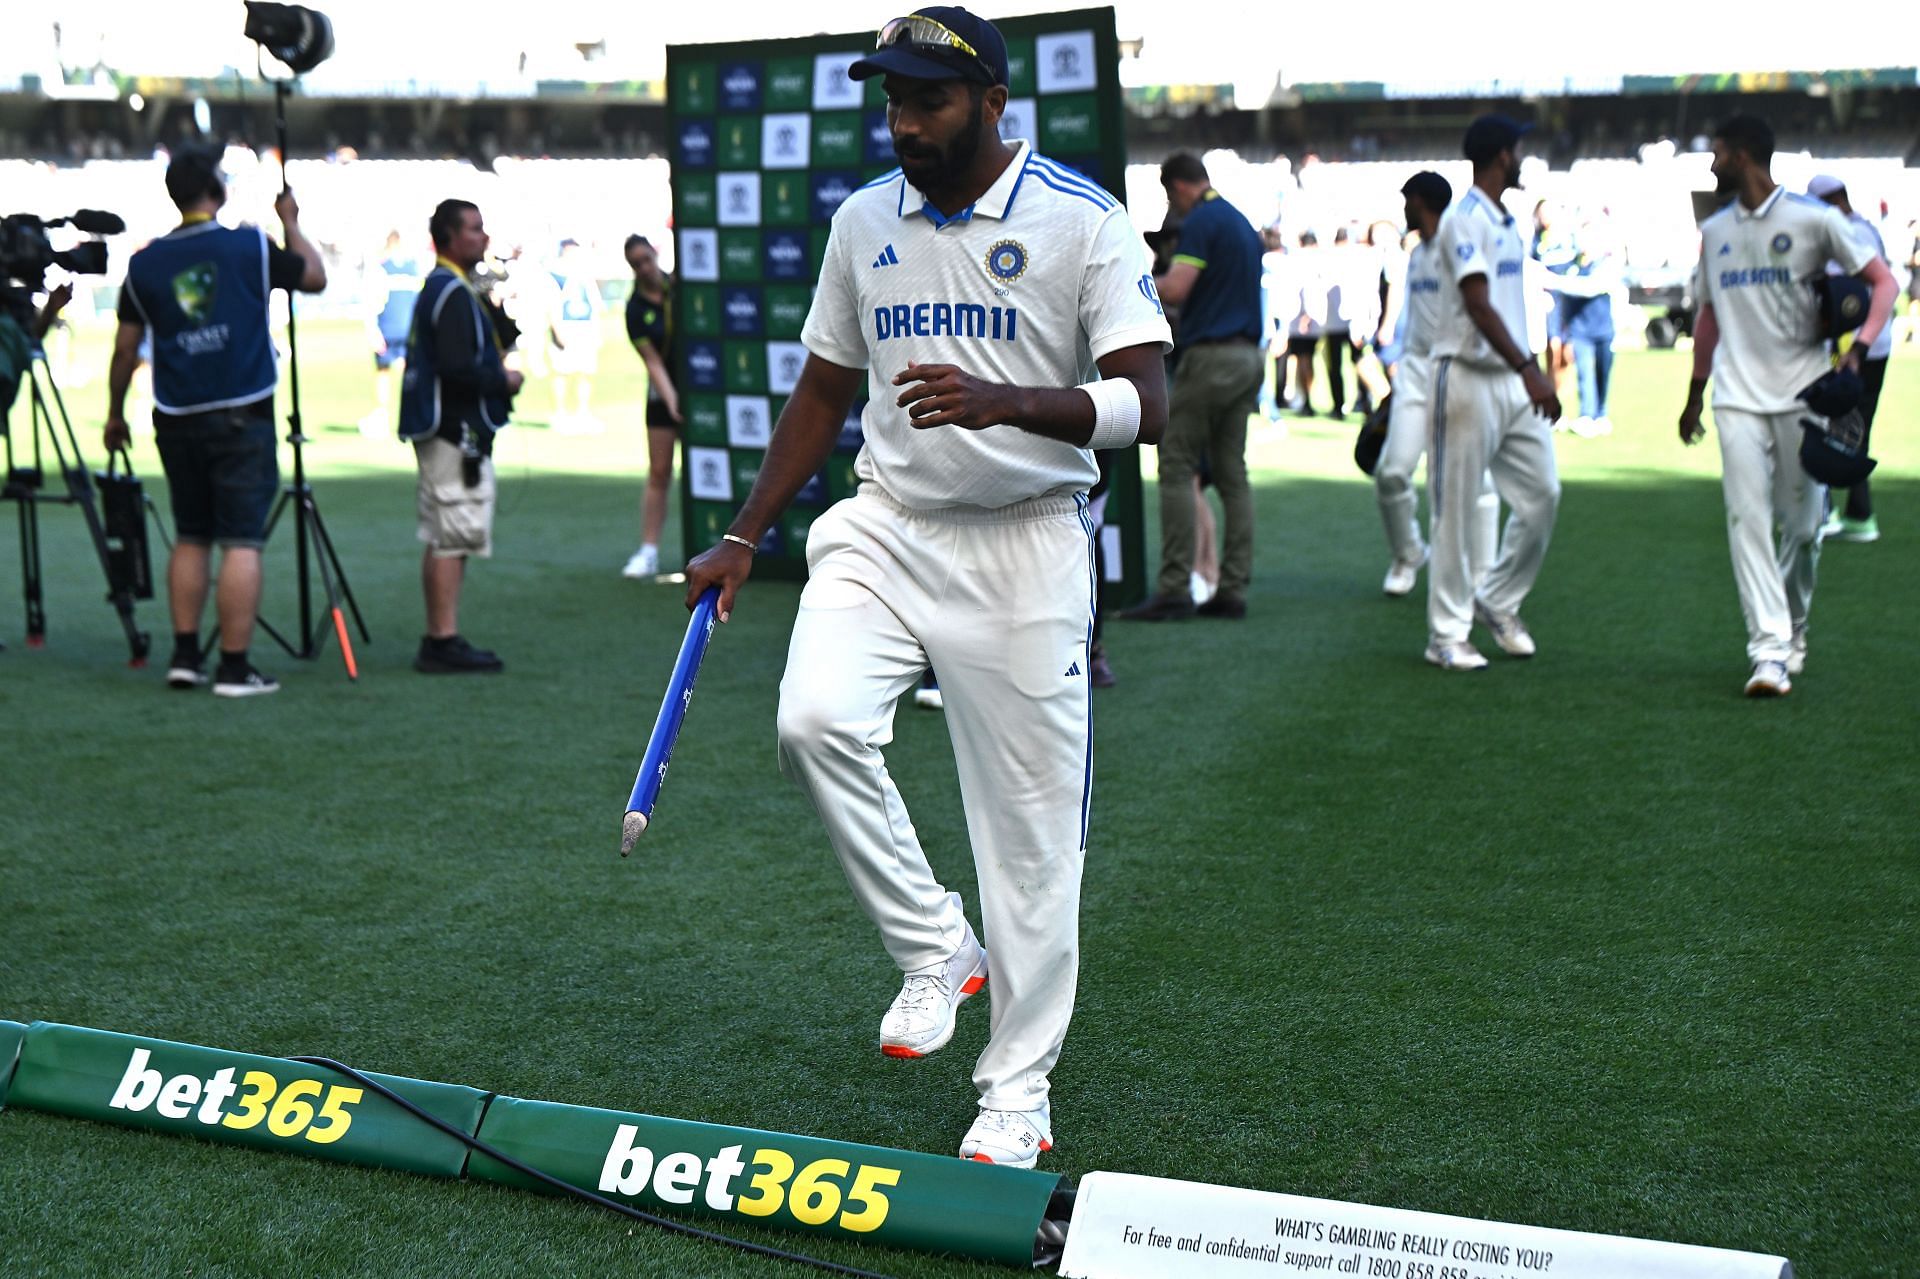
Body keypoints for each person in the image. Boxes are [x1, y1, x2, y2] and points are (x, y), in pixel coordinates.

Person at [681, 4, 1171, 1169]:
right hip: (888, 523)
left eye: (929, 101)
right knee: (813, 721)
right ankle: (935, 945)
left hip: (1027, 542)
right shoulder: (863, 219)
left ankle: (1016, 1094)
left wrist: (1014, 402)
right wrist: (748, 533)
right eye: (893, 101)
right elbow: (821, 388)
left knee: (1032, 842)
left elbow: (1148, 401)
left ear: (995, 103)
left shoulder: (1081, 221)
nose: (903, 123)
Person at [1677, 119, 1895, 696]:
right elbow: (1707, 314)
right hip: (1737, 399)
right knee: (1747, 520)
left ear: (1744, 156)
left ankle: (1794, 625)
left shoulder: (1814, 220)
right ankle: (1768, 652)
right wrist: (1695, 394)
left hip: (1803, 395)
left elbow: (1883, 284)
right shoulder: (1715, 229)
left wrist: (1857, 350)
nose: (1712, 163)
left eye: (1718, 153)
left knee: (1802, 530)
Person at [104, 145, 327, 697]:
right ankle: (233, 665)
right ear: (217, 190)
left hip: (176, 413)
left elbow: (125, 350)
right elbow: (314, 277)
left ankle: (184, 657)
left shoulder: (144, 263)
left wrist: (114, 414)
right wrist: (291, 222)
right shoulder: (248, 244)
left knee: (192, 536)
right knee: (242, 541)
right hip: (241, 410)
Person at [1424, 115, 1562, 672]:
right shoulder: (1464, 217)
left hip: (1509, 376)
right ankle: (1445, 635)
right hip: (1466, 375)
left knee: (1542, 494)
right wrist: (1530, 366)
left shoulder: (1506, 219)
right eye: (1519, 148)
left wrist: (1524, 368)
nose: (1523, 156)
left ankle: (1498, 600)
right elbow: (1477, 304)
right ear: (1502, 155)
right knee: (1455, 510)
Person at [1116, 150, 1263, 621]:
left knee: (1176, 462)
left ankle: (1175, 587)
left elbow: (1176, 289)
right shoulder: (1240, 220)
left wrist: (1127, 283)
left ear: (1178, 186)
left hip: (1211, 356)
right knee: (1232, 472)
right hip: (1248, 356)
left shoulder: (1201, 221)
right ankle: (1232, 588)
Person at [398, 198, 522, 674]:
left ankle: (441, 636)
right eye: (473, 229)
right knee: (453, 534)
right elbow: (457, 368)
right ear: (448, 236)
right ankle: (442, 639)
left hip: (445, 427)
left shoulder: (451, 286)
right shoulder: (449, 290)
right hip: (454, 429)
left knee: (443, 532)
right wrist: (504, 381)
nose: (482, 237)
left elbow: (502, 336)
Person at [1372, 173, 1501, 599]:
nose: (1402, 209)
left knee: (1478, 481)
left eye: (1406, 200)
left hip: (1459, 369)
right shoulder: (1416, 253)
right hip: (1414, 374)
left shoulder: (1458, 242)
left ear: (1421, 201)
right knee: (1392, 471)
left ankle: (1483, 576)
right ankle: (1409, 553)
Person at [1808, 173, 1892, 543]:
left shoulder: (1844, 234)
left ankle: (1825, 511)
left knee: (1827, 426)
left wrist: (1849, 348)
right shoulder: (1868, 229)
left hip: (1851, 347)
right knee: (1857, 430)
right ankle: (1860, 513)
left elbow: (1842, 297)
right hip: (1877, 342)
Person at [621, 234, 681, 578]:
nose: (644, 267)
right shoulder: (635, 308)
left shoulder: (679, 288)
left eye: (647, 258)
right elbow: (653, 363)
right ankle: (649, 551)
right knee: (659, 471)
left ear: (655, 254)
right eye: (636, 263)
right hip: (662, 394)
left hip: (700, 387)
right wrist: (672, 400)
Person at [363, 229, 421, 436]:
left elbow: (371, 301)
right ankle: (407, 412)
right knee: (405, 370)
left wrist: (372, 329)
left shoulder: (382, 269)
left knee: (384, 372)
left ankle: (383, 416)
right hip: (407, 328)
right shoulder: (413, 268)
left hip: (389, 327)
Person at [547, 238, 603, 433]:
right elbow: (552, 304)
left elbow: (594, 303)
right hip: (566, 325)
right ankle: (560, 412)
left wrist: (596, 328)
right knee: (562, 371)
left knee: (585, 372)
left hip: (585, 327)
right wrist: (557, 329)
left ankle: (583, 412)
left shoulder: (585, 274)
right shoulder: (555, 275)